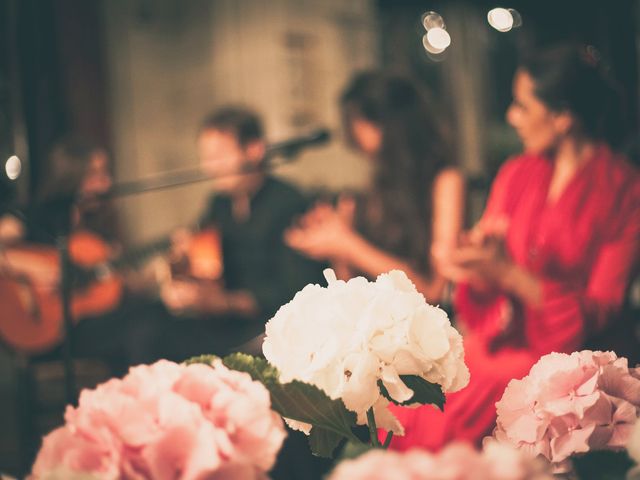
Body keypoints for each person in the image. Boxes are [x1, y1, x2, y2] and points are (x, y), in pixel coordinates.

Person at [385, 44, 640, 451]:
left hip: (576, 363)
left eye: (522, 106)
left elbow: (603, 306)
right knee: (420, 396)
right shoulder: (517, 172)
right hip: (508, 343)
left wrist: (509, 273)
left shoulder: (625, 189)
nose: (511, 117)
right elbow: (492, 276)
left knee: (448, 420)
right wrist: (478, 264)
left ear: (562, 118)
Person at [159, 106, 326, 359]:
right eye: (206, 157)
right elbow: (206, 259)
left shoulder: (287, 202)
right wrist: (183, 272)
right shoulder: (219, 204)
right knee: (151, 326)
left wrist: (225, 302)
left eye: (219, 155)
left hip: (270, 329)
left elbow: (294, 289)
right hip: (227, 322)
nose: (209, 167)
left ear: (254, 150)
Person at [285, 71, 465, 304]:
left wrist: (347, 243)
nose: (353, 136)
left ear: (386, 123)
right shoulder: (379, 185)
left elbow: (434, 291)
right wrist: (337, 246)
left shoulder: (445, 180)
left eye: (356, 122)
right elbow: (351, 291)